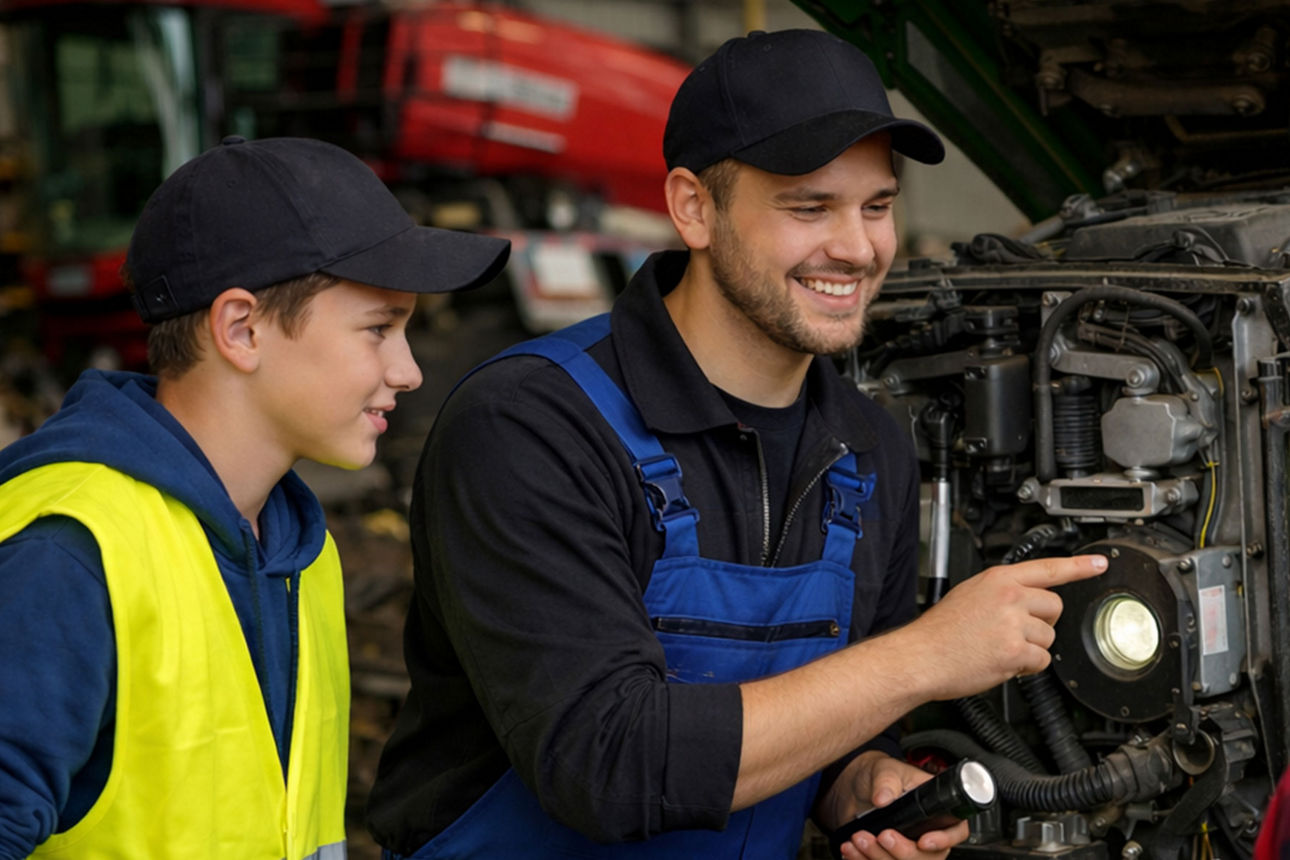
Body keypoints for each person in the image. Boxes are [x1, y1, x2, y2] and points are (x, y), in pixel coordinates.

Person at [366, 28, 1105, 860]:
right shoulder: (531, 425)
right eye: (809, 207)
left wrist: (858, 783)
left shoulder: (868, 450)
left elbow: (832, 722)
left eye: (877, 205)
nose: (858, 249)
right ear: (693, 208)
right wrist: (928, 657)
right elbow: (606, 765)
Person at [0, 136, 509, 859]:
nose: (409, 371)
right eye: (379, 330)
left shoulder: (304, 555)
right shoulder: (71, 558)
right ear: (241, 329)